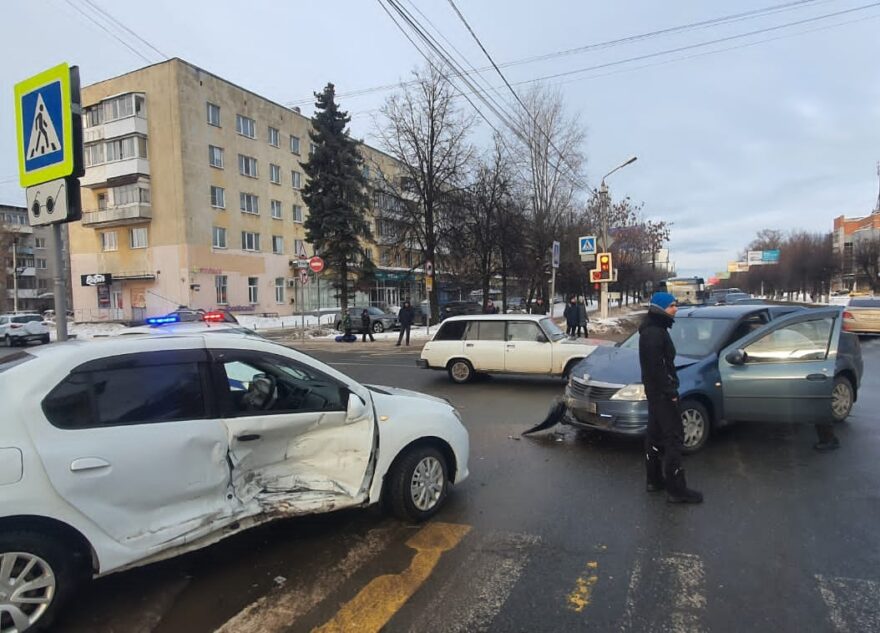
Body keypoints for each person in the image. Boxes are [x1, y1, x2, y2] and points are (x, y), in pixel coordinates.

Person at [640, 291, 703, 504]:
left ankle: (655, 480)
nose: (676, 308)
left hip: (656, 393)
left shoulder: (654, 329)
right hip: (662, 394)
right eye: (672, 305)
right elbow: (658, 368)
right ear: (661, 308)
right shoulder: (654, 333)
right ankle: (677, 490)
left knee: (655, 435)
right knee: (674, 438)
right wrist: (670, 393)